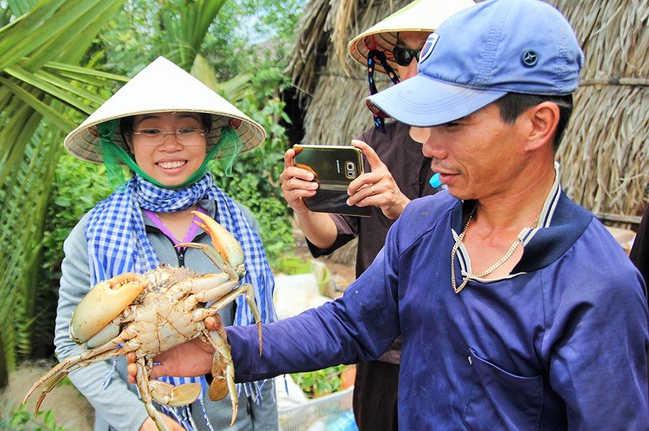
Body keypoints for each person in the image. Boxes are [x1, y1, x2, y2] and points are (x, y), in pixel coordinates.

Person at [128, 0, 649, 429]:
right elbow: (347, 324)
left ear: (537, 125)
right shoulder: (425, 224)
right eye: (424, 119)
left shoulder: (598, 289)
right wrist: (220, 349)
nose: (425, 141)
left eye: (454, 122)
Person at [55, 56, 278, 431]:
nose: (171, 145)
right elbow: (71, 345)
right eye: (151, 131)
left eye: (187, 129)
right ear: (127, 140)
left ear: (208, 139)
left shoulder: (238, 225)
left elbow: (262, 336)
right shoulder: (93, 234)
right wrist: (140, 421)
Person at [279, 0, 473, 429]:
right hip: (382, 344)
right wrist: (302, 205)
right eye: (405, 54)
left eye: (433, 50)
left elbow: (482, 247)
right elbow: (330, 236)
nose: (416, 64)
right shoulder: (377, 139)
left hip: (455, 346)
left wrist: (400, 206)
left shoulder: (483, 146)